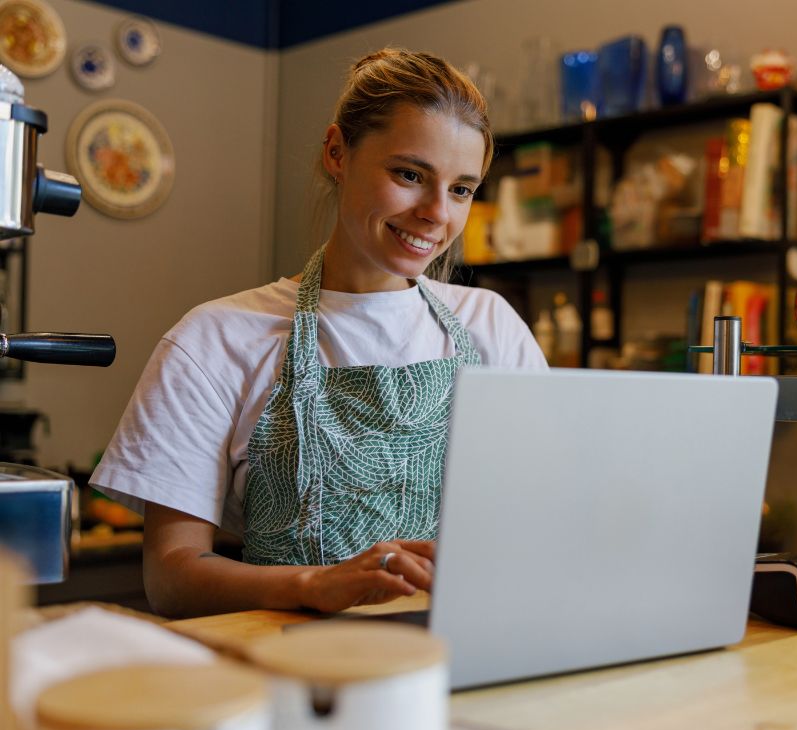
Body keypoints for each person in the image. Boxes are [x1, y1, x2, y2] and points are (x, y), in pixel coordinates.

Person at [91, 49, 547, 618]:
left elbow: (542, 521)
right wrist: (311, 585)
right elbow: (171, 577)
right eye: (410, 175)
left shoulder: (492, 328)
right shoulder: (213, 341)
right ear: (337, 152)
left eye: (461, 189)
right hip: (293, 675)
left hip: (466, 661)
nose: (436, 213)